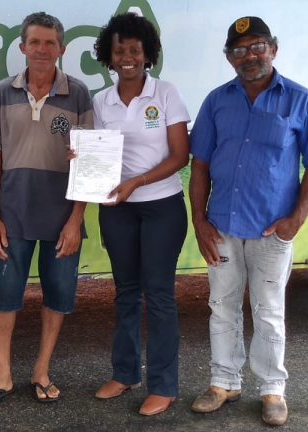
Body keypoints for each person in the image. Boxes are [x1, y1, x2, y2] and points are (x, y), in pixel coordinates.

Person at [188, 16, 308, 426]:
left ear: (274, 49)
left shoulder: (302, 101)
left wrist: (295, 220)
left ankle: (272, 389)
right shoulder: (216, 101)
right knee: (222, 306)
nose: (249, 56)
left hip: (272, 230)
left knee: (268, 309)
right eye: (239, 50)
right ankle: (224, 381)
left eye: (257, 47)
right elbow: (200, 166)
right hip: (221, 226)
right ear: (229, 58)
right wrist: (199, 222)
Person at [0, 12, 92, 409]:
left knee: (57, 297)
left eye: (49, 43)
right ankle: (2, 374)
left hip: (62, 219)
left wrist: (76, 220)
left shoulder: (79, 94)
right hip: (13, 217)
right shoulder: (2, 92)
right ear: (22, 47)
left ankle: (41, 371)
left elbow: (89, 161)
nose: (42, 49)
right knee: (4, 296)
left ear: (62, 49)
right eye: (35, 42)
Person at [86, 13, 190, 416]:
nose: (127, 57)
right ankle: (125, 373)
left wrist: (137, 182)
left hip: (162, 206)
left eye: (134, 50)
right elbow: (101, 152)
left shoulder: (165, 94)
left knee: (159, 295)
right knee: (126, 292)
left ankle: (163, 385)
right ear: (108, 57)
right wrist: (83, 160)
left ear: (148, 55)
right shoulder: (102, 101)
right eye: (119, 51)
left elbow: (180, 156)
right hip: (118, 209)